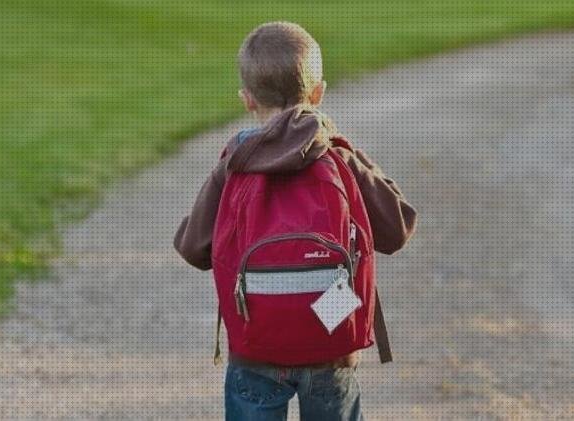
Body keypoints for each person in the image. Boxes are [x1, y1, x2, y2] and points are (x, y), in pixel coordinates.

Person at [174, 21, 416, 421]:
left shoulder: (235, 161)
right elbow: (398, 227)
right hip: (331, 342)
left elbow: (194, 249)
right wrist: (349, 152)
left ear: (247, 99)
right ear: (318, 93)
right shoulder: (335, 156)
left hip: (256, 347)